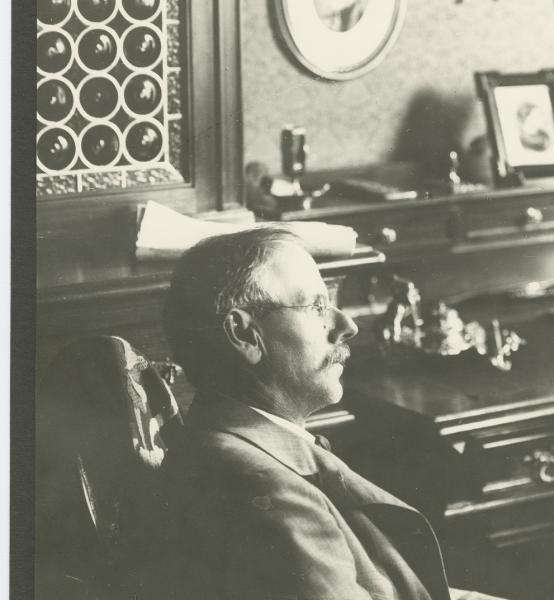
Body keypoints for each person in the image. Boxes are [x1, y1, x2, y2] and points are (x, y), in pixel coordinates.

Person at [160, 227, 503, 600]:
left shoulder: (241, 445)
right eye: (317, 306)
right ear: (244, 334)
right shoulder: (265, 487)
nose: (347, 326)